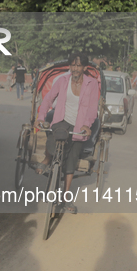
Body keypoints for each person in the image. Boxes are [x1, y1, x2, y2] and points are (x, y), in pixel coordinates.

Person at [34, 52, 99, 214]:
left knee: (71, 160)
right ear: (70, 67)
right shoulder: (63, 80)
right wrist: (40, 117)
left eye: (78, 66)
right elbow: (48, 98)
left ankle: (66, 197)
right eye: (73, 65)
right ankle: (47, 159)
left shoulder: (92, 84)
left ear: (84, 68)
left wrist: (87, 125)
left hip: (79, 124)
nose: (75, 69)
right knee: (52, 133)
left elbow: (92, 109)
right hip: (62, 120)